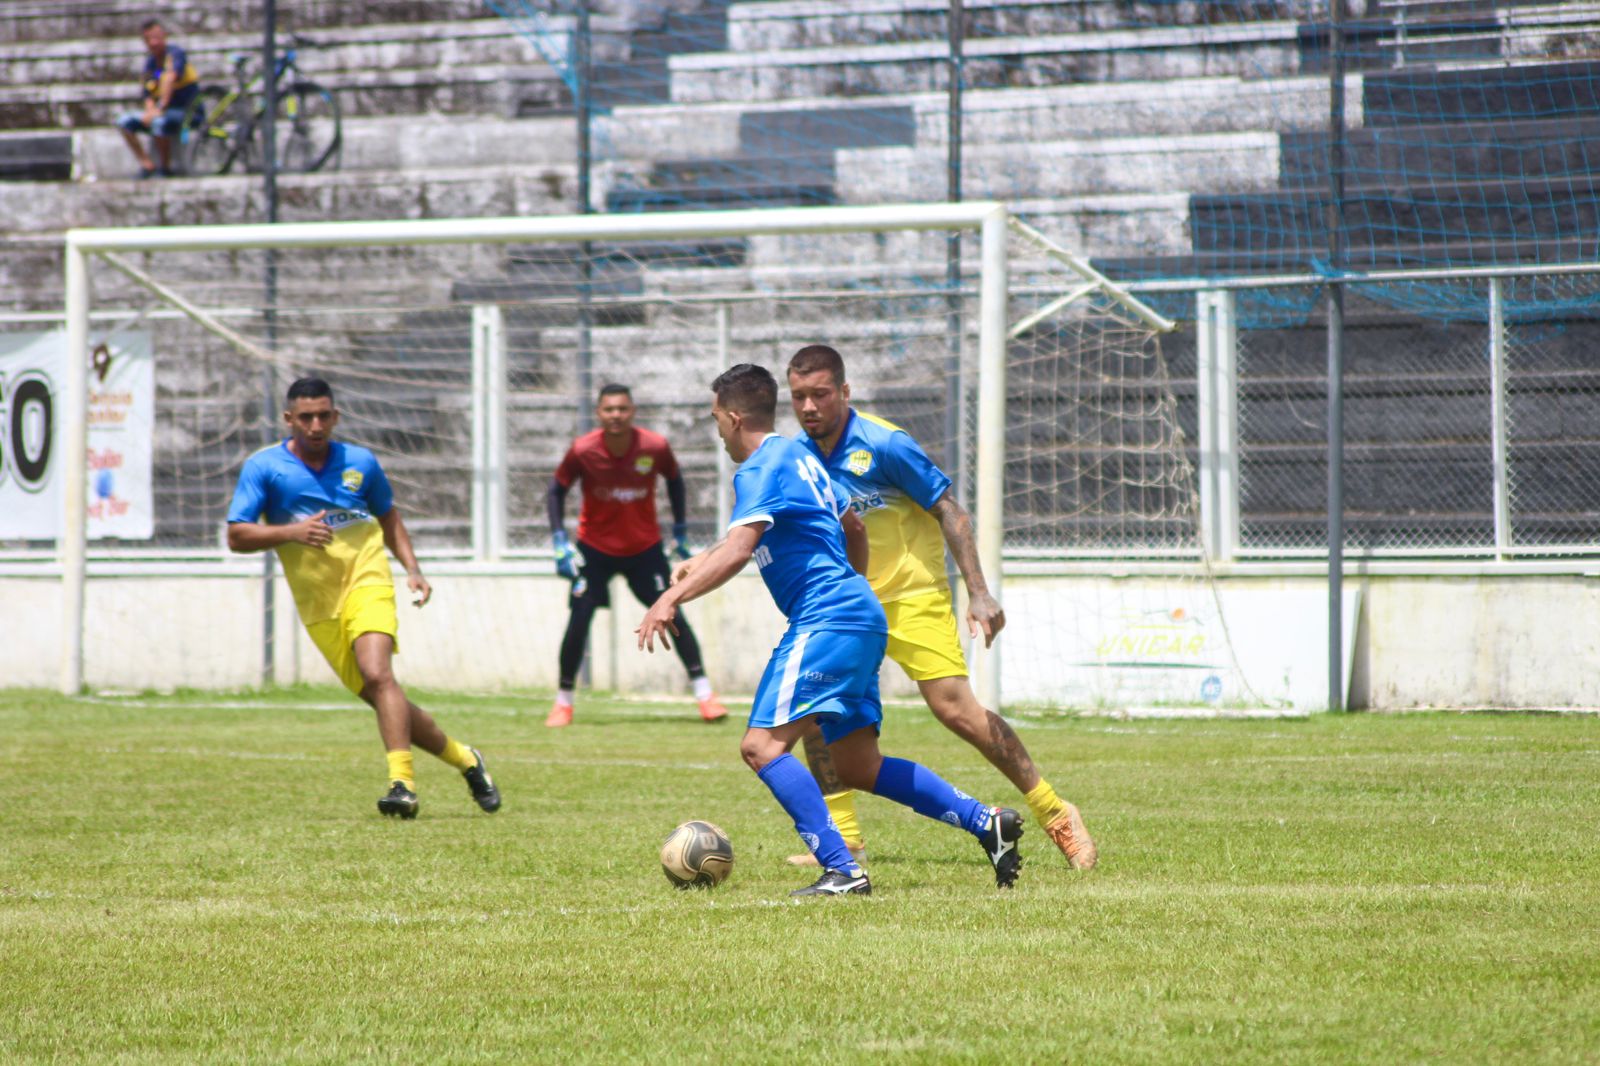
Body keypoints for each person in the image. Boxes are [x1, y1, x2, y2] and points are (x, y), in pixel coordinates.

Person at [636, 363, 1025, 897]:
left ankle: (843, 870)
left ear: (730, 417)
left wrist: (670, 597)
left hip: (828, 616)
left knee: (762, 747)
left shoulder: (758, 468)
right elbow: (854, 526)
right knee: (858, 764)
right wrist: (856, 591)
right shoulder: (799, 455)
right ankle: (986, 821)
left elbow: (740, 548)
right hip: (859, 614)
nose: (718, 432)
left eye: (715, 421)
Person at [783, 343, 1098, 871]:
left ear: (844, 392)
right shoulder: (797, 455)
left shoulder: (884, 443)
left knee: (958, 713)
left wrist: (977, 590)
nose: (809, 406)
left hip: (911, 598)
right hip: (846, 604)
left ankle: (1056, 812)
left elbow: (949, 510)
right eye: (798, 397)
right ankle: (846, 841)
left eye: (819, 394)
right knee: (815, 713)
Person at [226, 377, 501, 820]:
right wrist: (291, 532)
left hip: (368, 581)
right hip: (318, 605)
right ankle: (466, 759)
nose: (316, 425)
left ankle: (402, 786)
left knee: (378, 672)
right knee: (383, 695)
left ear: (335, 416)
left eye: (324, 416)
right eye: (306, 417)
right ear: (289, 419)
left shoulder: (360, 462)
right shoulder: (264, 467)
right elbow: (237, 535)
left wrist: (412, 569)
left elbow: (388, 516)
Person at [546, 383, 728, 727]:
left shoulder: (654, 446)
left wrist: (680, 533)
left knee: (672, 612)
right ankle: (563, 703)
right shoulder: (583, 450)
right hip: (595, 550)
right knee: (579, 619)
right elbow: (556, 490)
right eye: (609, 409)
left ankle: (706, 696)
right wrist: (559, 541)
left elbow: (675, 481)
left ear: (633, 411)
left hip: (644, 549)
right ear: (599, 413)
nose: (616, 415)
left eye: (622, 409)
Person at [116, 19, 200, 180]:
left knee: (158, 122)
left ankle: (165, 167)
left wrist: (159, 109)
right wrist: (150, 110)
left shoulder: (175, 54)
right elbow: (148, 90)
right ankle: (147, 164)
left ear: (164, 36)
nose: (152, 43)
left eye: (155, 37)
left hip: (187, 111)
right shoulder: (151, 64)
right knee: (124, 121)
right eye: (147, 39)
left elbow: (170, 78)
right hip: (161, 111)